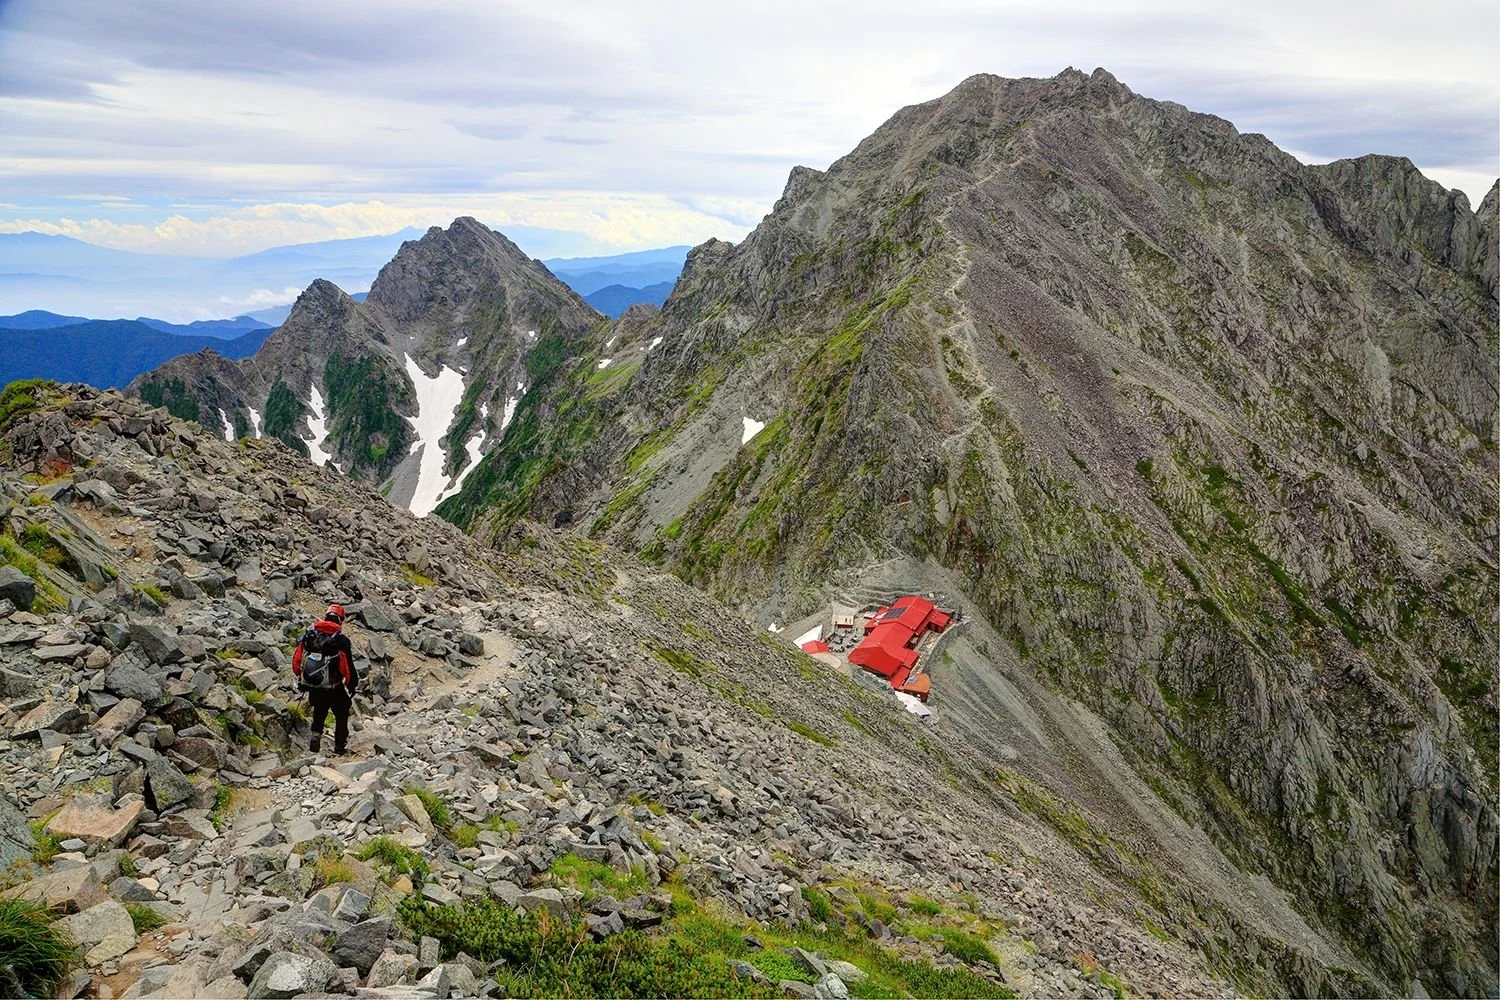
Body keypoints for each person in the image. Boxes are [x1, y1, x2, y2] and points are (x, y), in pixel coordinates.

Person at [291, 603, 359, 755]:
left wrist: (300, 678)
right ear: (341, 620)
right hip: (334, 686)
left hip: (314, 685)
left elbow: (297, 660)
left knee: (319, 710)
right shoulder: (341, 640)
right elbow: (346, 666)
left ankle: (316, 735)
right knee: (342, 713)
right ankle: (339, 747)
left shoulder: (311, 635)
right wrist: (352, 684)